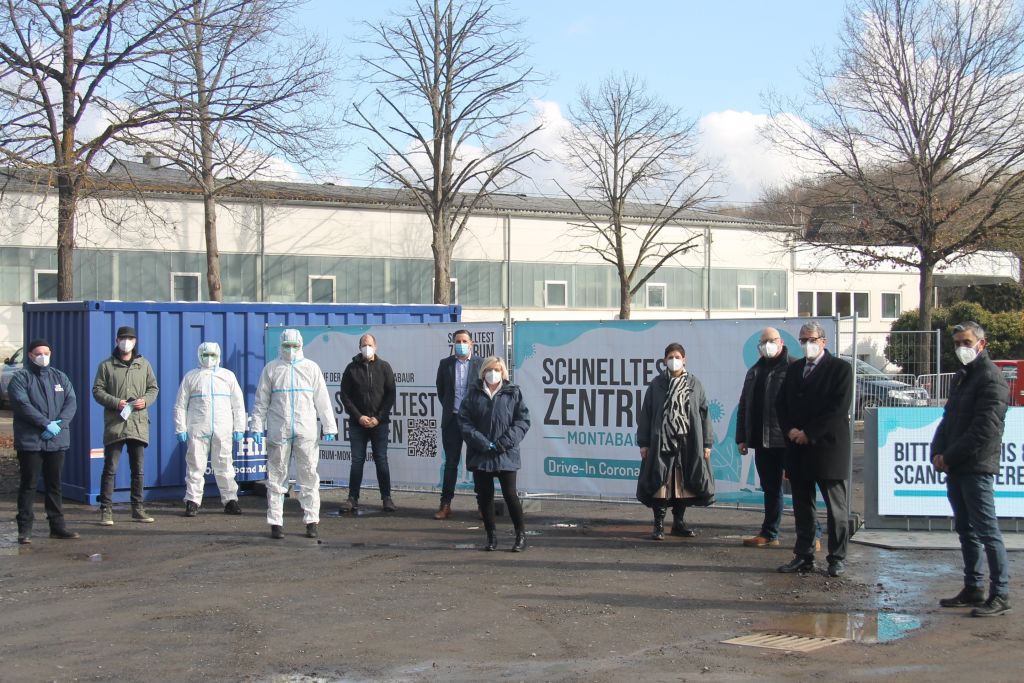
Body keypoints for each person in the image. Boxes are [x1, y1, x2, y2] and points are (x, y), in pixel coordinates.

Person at [931, 321, 1011, 617]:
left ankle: (1000, 593)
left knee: (987, 531)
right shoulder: (962, 377)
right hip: (956, 466)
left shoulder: (991, 379)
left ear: (981, 344)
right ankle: (974, 587)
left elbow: (984, 429)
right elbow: (948, 418)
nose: (961, 349)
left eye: (966, 342)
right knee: (966, 530)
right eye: (957, 343)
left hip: (976, 467)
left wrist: (950, 455)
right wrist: (937, 451)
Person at [775, 322, 852, 577]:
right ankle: (804, 554)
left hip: (828, 448)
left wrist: (810, 433)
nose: (808, 343)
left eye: (812, 339)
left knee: (835, 508)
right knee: (802, 506)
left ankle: (837, 557)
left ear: (823, 341)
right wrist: (790, 431)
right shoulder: (795, 368)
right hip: (798, 448)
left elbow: (837, 408)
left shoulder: (841, 368)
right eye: (803, 339)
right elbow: (781, 404)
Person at [251, 329, 338, 539]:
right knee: (276, 476)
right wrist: (256, 426)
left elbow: (322, 399)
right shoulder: (271, 369)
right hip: (279, 430)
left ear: (300, 346)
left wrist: (329, 426)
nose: (290, 350)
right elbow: (261, 401)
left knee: (308, 475)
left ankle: (311, 520)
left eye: (294, 346)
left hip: (305, 429)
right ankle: (275, 521)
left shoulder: (310, 368)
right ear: (281, 346)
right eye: (287, 346)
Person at [636, 343, 715, 540]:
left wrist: (706, 443)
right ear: (664, 360)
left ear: (684, 359)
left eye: (677, 356)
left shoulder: (695, 384)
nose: (674, 360)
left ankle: (679, 523)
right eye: (670, 357)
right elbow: (646, 414)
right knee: (660, 483)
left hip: (688, 442)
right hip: (661, 442)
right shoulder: (656, 385)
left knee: (683, 484)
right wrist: (644, 443)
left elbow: (704, 414)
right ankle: (659, 524)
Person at [458, 356, 531, 551]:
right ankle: (491, 537)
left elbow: (522, 421)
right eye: (490, 369)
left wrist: (503, 443)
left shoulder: (513, 392)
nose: (493, 373)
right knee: (485, 497)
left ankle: (520, 536)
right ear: (483, 371)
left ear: (503, 372)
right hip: (480, 454)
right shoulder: (473, 393)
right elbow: (464, 422)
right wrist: (482, 443)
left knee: (510, 495)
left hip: (505, 453)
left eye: (497, 369)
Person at [10, 339, 79, 544]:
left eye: (46, 353)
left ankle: (57, 526)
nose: (43, 356)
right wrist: (45, 424)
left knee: (54, 485)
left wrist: (60, 423)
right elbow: (22, 404)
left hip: (56, 440)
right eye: (39, 353)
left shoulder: (59, 377)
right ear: (30, 355)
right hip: (31, 441)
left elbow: (71, 401)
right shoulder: (21, 378)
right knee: (29, 485)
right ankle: (25, 529)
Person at [92, 325, 159, 525]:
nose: (126, 342)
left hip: (138, 425)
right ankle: (106, 510)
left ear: (135, 342)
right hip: (116, 425)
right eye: (123, 338)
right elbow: (97, 390)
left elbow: (153, 388)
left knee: (137, 469)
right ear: (116, 341)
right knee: (110, 468)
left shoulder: (143, 364)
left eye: (130, 338)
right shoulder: (106, 366)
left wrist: (145, 401)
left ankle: (138, 508)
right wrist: (116, 402)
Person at [173, 341, 246, 517]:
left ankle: (230, 501)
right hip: (198, 429)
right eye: (205, 355)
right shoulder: (191, 377)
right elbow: (180, 405)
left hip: (223, 429)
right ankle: (192, 501)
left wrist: (239, 427)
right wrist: (180, 428)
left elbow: (238, 404)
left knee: (225, 465)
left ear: (218, 356)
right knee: (195, 465)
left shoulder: (227, 376)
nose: (209, 358)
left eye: (212, 355)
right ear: (199, 355)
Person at [736, 327, 792, 547]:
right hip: (761, 441)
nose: (766, 345)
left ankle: (812, 535)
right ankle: (770, 533)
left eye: (770, 341)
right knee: (770, 489)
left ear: (780, 342)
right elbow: (744, 406)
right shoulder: (754, 371)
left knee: (799, 489)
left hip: (786, 441)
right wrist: (742, 437)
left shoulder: (793, 367)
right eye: (762, 342)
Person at [339, 333, 397, 513]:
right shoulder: (351, 369)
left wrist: (378, 417)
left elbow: (390, 395)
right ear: (359, 347)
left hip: (380, 423)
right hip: (358, 424)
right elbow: (345, 396)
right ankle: (352, 498)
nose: (367, 348)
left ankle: (387, 498)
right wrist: (359, 417)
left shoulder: (384, 367)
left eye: (370, 344)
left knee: (381, 461)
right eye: (364, 345)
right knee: (357, 461)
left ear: (376, 347)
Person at [433, 329, 484, 519]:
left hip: (474, 422)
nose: (460, 344)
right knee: (451, 464)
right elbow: (441, 390)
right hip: (452, 420)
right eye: (457, 341)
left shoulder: (481, 364)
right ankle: (445, 504)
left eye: (464, 341)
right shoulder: (445, 364)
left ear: (471, 344)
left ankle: (482, 506)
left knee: (477, 464)